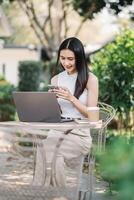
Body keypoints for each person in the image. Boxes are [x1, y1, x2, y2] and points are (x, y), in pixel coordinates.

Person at [33, 37, 98, 187]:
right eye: (62, 58)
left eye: (70, 59)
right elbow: (55, 113)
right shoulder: (56, 79)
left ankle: (57, 195)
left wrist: (71, 98)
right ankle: (45, 194)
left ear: (80, 58)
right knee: (43, 149)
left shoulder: (90, 79)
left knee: (52, 153)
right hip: (58, 130)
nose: (66, 63)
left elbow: (92, 115)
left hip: (80, 133)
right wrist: (50, 101)